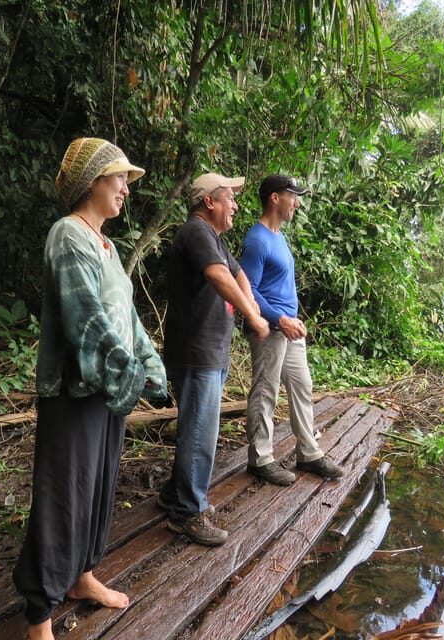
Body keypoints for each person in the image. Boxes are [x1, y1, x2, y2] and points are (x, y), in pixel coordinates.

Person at [13, 138, 168, 640]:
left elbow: (126, 318)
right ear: (92, 183)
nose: (126, 188)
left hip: (107, 388)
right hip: (74, 390)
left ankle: (81, 577)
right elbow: (86, 318)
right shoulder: (68, 236)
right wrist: (128, 369)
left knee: (98, 487)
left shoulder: (107, 244)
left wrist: (151, 363)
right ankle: (39, 617)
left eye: (125, 179)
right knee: (63, 495)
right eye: (118, 178)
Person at [160, 172, 269, 546]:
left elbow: (238, 276)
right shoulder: (196, 232)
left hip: (211, 350)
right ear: (209, 202)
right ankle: (188, 513)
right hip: (196, 352)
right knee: (200, 433)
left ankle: (175, 493)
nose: (235, 205)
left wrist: (251, 304)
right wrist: (253, 317)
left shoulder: (216, 240)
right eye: (230, 198)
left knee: (198, 427)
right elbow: (219, 277)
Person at [239, 175, 344, 486]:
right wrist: (278, 319)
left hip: (290, 329)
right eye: (292, 196)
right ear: (274, 198)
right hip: (270, 329)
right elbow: (248, 290)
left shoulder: (279, 237)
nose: (296, 202)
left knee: (302, 387)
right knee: (266, 391)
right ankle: (260, 459)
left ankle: (309, 454)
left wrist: (292, 320)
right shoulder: (257, 240)